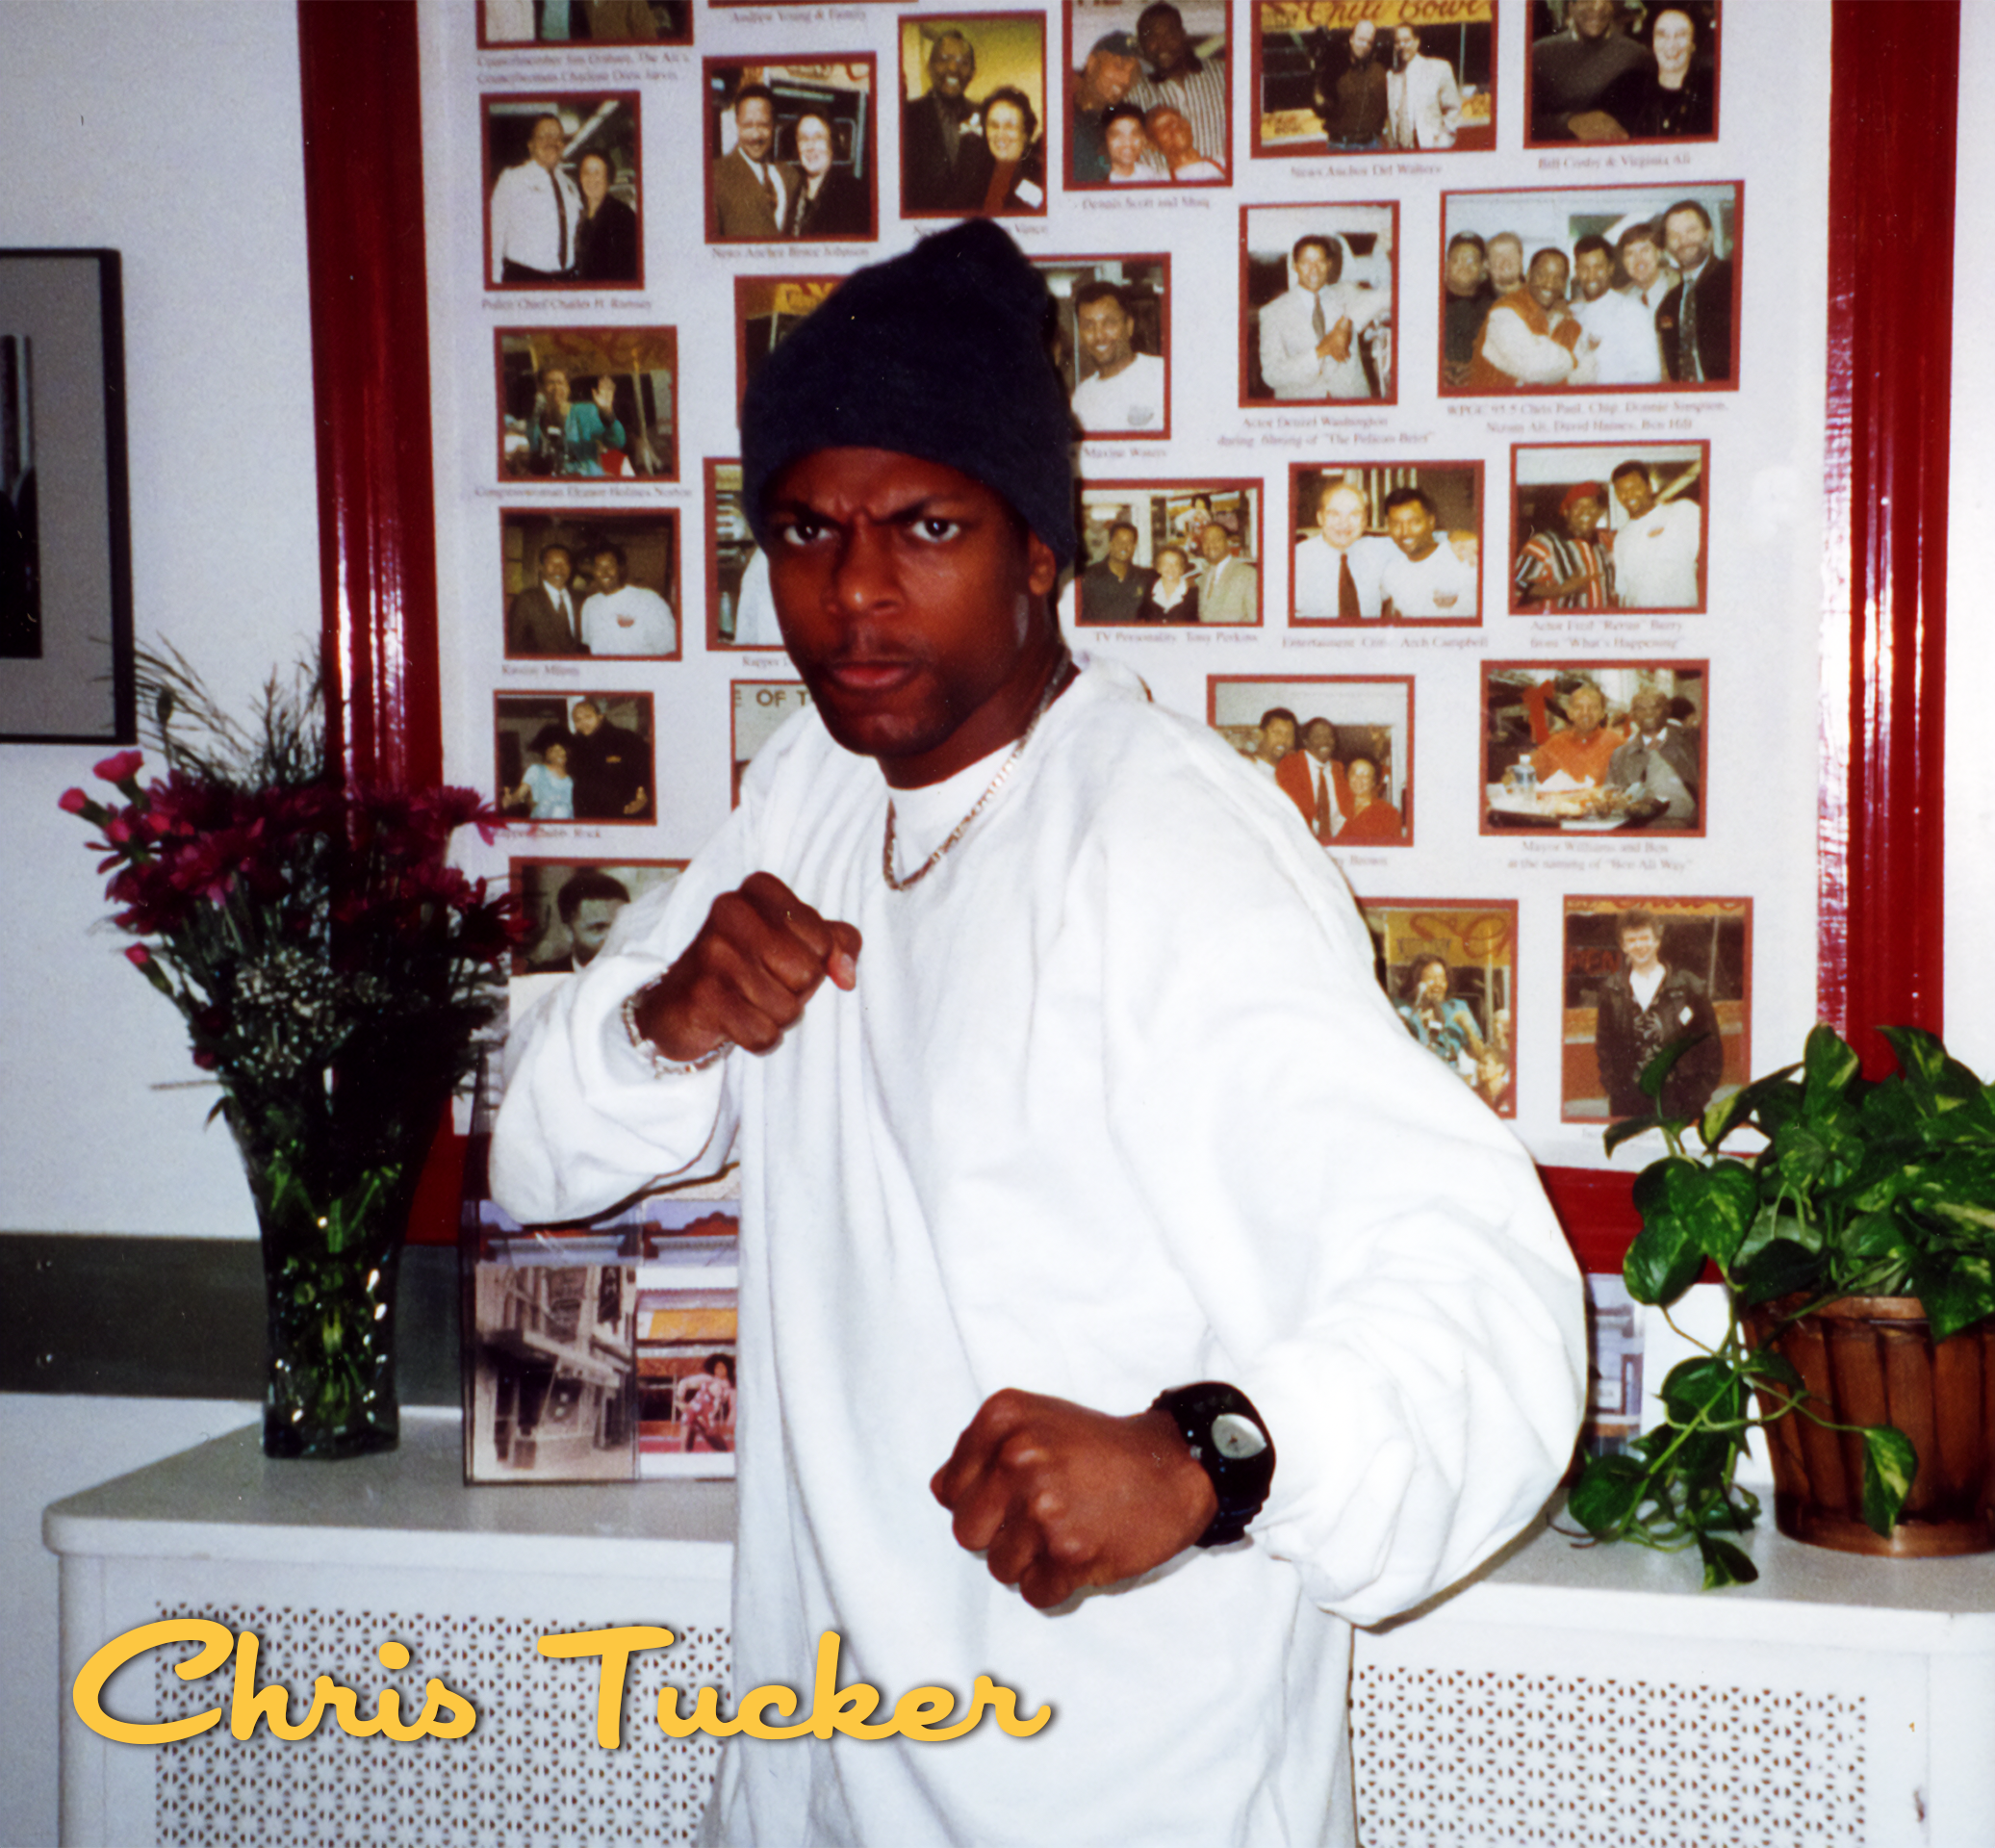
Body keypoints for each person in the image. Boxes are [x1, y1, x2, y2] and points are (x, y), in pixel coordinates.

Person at [492, 221, 1582, 1847]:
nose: (854, 592)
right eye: (805, 531)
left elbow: (1485, 1292)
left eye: (925, 526)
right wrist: (664, 1023)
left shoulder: (1157, 840)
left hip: (1120, 1790)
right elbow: (543, 1156)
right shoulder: (812, 785)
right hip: (831, 1761)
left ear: (1039, 553)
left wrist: (1205, 1456)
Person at [1593, 907, 1724, 1120]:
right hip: (1629, 1098)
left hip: (1678, 1096)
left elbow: (1710, 1044)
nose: (1640, 946)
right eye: (1632, 940)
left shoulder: (1687, 986)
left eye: (1645, 938)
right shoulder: (1612, 990)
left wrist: (1697, 1096)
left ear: (1657, 941)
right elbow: (1604, 1043)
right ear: (1623, 946)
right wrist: (1614, 1087)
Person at [1258, 235, 1387, 400]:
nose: (1314, 270)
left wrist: (1347, 321)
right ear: (1294, 266)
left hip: (1351, 406)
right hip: (1301, 411)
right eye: (1306, 263)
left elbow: (1389, 296)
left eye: (1320, 261)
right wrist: (1320, 352)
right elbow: (1272, 375)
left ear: (1329, 264)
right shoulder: (1272, 312)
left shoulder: (1347, 293)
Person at [1469, 247, 1594, 392]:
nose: (1549, 283)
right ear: (1529, 275)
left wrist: (1559, 367)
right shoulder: (1505, 311)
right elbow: (1534, 367)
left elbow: (1587, 375)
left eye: (1558, 277)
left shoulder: (1569, 323)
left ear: (1564, 283)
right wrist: (1573, 360)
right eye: (1542, 275)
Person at [1128, 2, 1229, 177]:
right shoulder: (1134, 95)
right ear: (1142, 49)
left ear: (1183, 36)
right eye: (1151, 38)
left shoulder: (1224, 75)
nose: (1162, 45)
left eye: (1169, 34)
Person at [1531, 0, 1652, 141]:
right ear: (1571, 6)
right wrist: (1568, 123)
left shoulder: (1638, 56)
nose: (1598, 7)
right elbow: (1518, 125)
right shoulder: (1538, 55)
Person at [490, 113, 581, 285]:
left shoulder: (570, 185)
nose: (550, 140)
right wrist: (495, 285)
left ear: (562, 145)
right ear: (530, 145)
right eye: (543, 135)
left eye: (556, 136)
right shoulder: (512, 178)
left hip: (566, 280)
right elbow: (494, 236)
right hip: (525, 278)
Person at [1598, 8, 1714, 141]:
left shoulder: (1711, 90)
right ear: (1652, 41)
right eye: (1662, 35)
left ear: (1693, 43)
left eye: (1681, 35)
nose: (1671, 45)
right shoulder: (1629, 85)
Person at [1395, 956, 1500, 1100]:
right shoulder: (1405, 1012)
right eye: (1431, 978)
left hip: (1451, 1085)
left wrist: (1468, 1029)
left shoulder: (1457, 1007)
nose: (1438, 984)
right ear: (1417, 983)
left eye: (1442, 978)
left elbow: (1479, 1055)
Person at [1068, 280, 1165, 433]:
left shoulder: (1162, 375)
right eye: (1088, 326)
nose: (1099, 335)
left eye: (1109, 323)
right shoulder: (1081, 399)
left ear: (1129, 326)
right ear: (1080, 333)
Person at [903, 30, 983, 213]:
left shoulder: (984, 116)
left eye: (964, 63)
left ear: (972, 72)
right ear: (929, 66)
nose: (953, 68)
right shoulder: (906, 116)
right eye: (944, 59)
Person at [1655, 199, 1733, 384]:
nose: (1683, 241)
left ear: (1709, 234)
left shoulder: (1736, 280)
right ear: (1667, 245)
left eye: (1691, 231)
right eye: (1674, 235)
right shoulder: (1669, 303)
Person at [1293, 478, 1395, 619]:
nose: (1344, 523)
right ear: (1320, 518)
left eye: (1354, 515)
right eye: (1334, 514)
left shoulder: (1378, 550)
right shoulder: (1296, 560)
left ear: (1365, 521)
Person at [1570, 233, 1663, 386]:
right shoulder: (1574, 313)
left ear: (1611, 268)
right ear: (1577, 272)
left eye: (1598, 267)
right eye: (1585, 268)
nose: (1591, 276)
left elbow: (1649, 372)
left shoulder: (1630, 310)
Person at [1609, 460, 1701, 608]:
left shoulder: (1682, 512)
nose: (1628, 495)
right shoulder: (1621, 538)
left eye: (1636, 487)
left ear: (1649, 487)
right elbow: (1624, 589)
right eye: (1621, 490)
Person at [1379, 486, 1476, 619]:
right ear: (1388, 527)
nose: (1405, 532)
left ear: (1431, 522)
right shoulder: (1391, 571)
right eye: (1396, 524)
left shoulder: (1462, 555)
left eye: (1414, 522)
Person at [1513, 483, 1612, 612]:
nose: (1586, 511)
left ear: (1598, 513)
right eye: (1578, 506)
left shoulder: (1604, 544)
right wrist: (1560, 590)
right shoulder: (1543, 544)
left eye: (1591, 506)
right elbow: (1516, 586)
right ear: (1566, 512)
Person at [1608, 686, 1700, 826]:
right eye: (1640, 709)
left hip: (1688, 826)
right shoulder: (1621, 755)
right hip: (1638, 828)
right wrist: (1615, 802)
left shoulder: (1692, 743)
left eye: (1655, 707)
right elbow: (1609, 795)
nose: (1648, 713)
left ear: (1667, 710)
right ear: (1632, 714)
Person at [713, 85, 795, 240]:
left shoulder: (791, 176)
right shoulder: (716, 175)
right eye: (748, 125)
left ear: (774, 124)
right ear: (737, 124)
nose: (756, 135)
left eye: (763, 124)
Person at [951, 87, 1045, 216]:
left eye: (1009, 126)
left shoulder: (1039, 176)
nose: (1000, 134)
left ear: (1025, 132)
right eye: (994, 126)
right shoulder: (975, 173)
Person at [1070, 32, 1143, 184]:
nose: (1126, 80)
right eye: (1119, 66)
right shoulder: (1060, 107)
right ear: (1092, 63)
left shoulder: (1120, 119)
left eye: (1133, 72)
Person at [578, 544, 677, 655]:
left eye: (610, 566)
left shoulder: (649, 600)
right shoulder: (589, 604)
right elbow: (589, 645)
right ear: (593, 572)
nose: (605, 572)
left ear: (621, 568)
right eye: (598, 567)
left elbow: (670, 648)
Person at [785, 108, 869, 239]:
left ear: (832, 144)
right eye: (803, 138)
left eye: (818, 138)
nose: (810, 146)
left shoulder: (852, 194)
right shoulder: (794, 192)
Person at [531, 868, 634, 972]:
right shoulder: (543, 977)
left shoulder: (645, 974)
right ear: (568, 932)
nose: (613, 937)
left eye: (620, 925)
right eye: (599, 928)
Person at [530, 367, 626, 477]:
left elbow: (618, 441)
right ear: (541, 389)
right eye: (551, 383)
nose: (556, 388)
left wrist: (607, 414)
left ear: (568, 388)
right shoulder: (538, 420)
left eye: (560, 383)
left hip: (588, 479)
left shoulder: (585, 412)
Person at [566, 697, 651, 819]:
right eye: (577, 720)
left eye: (588, 717)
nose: (583, 722)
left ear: (600, 716)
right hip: (587, 814)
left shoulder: (625, 738)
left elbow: (647, 768)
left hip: (623, 812)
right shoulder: (572, 746)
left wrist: (644, 797)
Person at [1529, 680, 1622, 786]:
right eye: (1578, 707)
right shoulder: (1554, 744)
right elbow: (1528, 773)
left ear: (1602, 713)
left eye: (1593, 708)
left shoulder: (1617, 744)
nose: (1585, 713)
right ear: (1569, 713)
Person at [1386, 23, 1461, 150]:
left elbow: (1454, 109)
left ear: (1417, 42)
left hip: (1428, 147)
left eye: (1407, 40)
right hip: (1400, 150)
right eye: (1398, 42)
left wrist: (1443, 139)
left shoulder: (1437, 69)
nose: (1402, 46)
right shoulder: (1391, 76)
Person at [1317, 19, 1388, 150]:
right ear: (1351, 39)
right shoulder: (1335, 69)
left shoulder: (1380, 71)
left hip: (1371, 145)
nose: (1364, 45)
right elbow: (1320, 105)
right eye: (1361, 39)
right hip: (1340, 145)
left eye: (1369, 42)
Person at [1275, 715, 1348, 841]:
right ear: (1306, 741)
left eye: (1329, 736)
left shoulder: (1340, 769)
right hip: (1302, 840)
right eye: (1317, 736)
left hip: (1338, 843)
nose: (1325, 741)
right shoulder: (1290, 765)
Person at [574, 149, 639, 284]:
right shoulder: (578, 213)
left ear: (608, 178)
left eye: (597, 173)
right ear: (580, 178)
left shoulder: (623, 217)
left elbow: (627, 272)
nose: (592, 179)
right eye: (587, 172)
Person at [507, 542, 585, 654]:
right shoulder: (527, 599)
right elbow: (515, 644)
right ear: (541, 567)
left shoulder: (581, 599)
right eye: (552, 563)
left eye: (563, 563)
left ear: (571, 568)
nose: (558, 569)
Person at [1442, 233, 1496, 388]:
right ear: (1447, 264)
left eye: (1471, 260)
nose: (1464, 265)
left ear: (1482, 267)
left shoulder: (1495, 308)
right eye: (1457, 259)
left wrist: (1480, 368)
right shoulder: (1429, 302)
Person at [1077, 521, 1156, 625]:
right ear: (1111, 544)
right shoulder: (1089, 575)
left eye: (1129, 542)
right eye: (1119, 541)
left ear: (1134, 546)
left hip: (1133, 639)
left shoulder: (1144, 577)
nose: (1124, 546)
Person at [1195, 519, 1258, 625]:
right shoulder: (1202, 578)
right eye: (1206, 540)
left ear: (1228, 542)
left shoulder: (1247, 574)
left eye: (1216, 539)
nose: (1210, 544)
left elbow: (1254, 618)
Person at [676, 1353, 737, 1451]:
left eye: (722, 1367)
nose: (720, 1369)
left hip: (707, 1418)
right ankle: (683, 1452)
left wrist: (729, 1424)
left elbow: (733, 1407)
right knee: (688, 1416)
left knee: (721, 1448)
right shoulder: (706, 1378)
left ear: (727, 1369)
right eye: (717, 1367)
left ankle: (723, 1451)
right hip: (693, 1409)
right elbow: (685, 1382)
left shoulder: (729, 1388)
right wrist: (680, 1399)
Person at [1144, 105, 1225, 181]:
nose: (1174, 126)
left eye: (1178, 121)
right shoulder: (1163, 181)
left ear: (1188, 126)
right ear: (1153, 145)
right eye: (1164, 128)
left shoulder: (1225, 163)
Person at [505, 735, 575, 821]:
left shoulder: (570, 780)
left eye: (562, 749)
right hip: (541, 826)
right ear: (546, 755)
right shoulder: (536, 770)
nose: (559, 753)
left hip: (565, 828)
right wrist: (510, 799)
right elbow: (520, 794)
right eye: (553, 750)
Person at [1336, 754, 1402, 841]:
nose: (1358, 780)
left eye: (1365, 776)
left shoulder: (1387, 812)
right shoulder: (1338, 806)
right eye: (1354, 774)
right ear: (1348, 777)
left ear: (1373, 782)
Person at [1136, 542, 1199, 623]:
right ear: (1158, 567)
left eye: (1176, 564)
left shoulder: (1193, 593)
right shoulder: (1148, 591)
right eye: (1165, 563)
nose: (1170, 568)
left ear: (1182, 568)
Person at [1101, 103, 1164, 184]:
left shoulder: (1153, 178)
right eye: (1118, 135)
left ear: (1143, 138)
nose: (1127, 143)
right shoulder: (1096, 182)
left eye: (1135, 134)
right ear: (1105, 139)